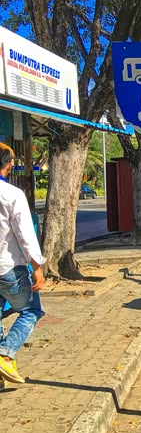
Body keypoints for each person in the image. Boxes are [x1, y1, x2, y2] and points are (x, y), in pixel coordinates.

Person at [0, 143, 45, 384]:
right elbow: (25, 235)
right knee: (31, 310)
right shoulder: (12, 194)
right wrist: (37, 267)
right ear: (8, 165)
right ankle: (5, 354)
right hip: (8, 267)